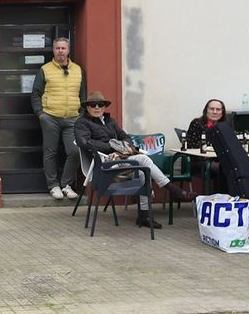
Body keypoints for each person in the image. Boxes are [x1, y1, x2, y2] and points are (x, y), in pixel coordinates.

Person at [74, 91, 190, 228]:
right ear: (87, 107)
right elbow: (85, 142)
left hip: (119, 160)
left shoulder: (110, 121)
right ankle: (174, 190)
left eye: (100, 105)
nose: (97, 107)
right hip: (103, 164)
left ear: (105, 107)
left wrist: (125, 146)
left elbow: (125, 136)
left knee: (143, 171)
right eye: (93, 105)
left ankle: (145, 216)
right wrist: (113, 147)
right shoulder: (82, 123)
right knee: (143, 159)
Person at [31, 36, 85, 200]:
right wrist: (41, 114)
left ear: (68, 50)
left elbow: (82, 94)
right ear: (53, 50)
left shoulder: (78, 70)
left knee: (75, 152)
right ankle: (53, 186)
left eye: (63, 48)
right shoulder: (45, 70)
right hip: (51, 117)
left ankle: (66, 185)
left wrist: (81, 114)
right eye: (57, 48)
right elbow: (36, 94)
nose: (60, 51)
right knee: (50, 152)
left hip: (72, 119)